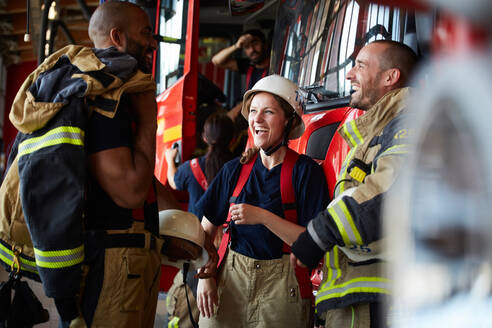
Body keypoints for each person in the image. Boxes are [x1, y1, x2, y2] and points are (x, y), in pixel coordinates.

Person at [290, 40, 418, 327]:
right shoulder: (379, 131)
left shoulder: (410, 124)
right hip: (365, 298)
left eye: (360, 65)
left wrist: (319, 234)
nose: (349, 74)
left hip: (380, 302)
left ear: (390, 77)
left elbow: (388, 193)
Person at [195, 75, 330, 328]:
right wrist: (206, 275)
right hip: (228, 282)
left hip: (281, 291)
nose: (256, 119)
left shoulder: (306, 173)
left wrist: (263, 217)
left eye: (268, 112)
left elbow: (312, 244)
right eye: (254, 111)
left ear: (289, 121)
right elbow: (204, 231)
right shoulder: (233, 170)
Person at [164, 112, 234, 328]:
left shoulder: (191, 167)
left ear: (204, 138)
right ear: (233, 139)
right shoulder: (238, 166)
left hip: (198, 245)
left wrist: (169, 159)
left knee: (187, 300)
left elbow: (174, 183)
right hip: (229, 247)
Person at [211, 29, 271, 154]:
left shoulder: (275, 65)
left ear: (265, 44)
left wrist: (235, 110)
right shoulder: (248, 66)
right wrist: (236, 46)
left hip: (265, 115)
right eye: (247, 47)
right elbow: (216, 61)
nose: (252, 50)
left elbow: (260, 96)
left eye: (255, 44)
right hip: (249, 112)